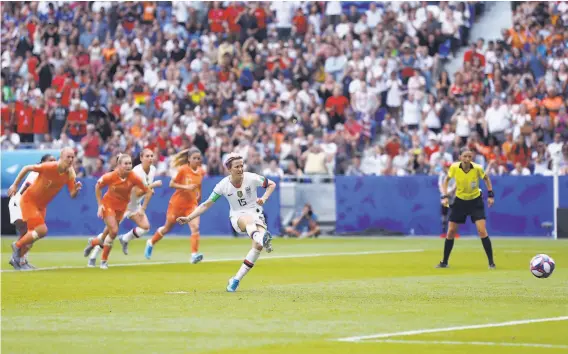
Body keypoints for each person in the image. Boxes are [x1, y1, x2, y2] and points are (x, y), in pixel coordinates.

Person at [177, 153, 276, 292]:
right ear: (229, 169)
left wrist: (264, 198)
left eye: (242, 165)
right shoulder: (222, 185)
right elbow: (206, 204)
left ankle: (236, 279)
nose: (240, 169)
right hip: (238, 216)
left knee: (257, 247)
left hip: (256, 214)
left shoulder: (251, 177)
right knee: (250, 224)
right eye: (237, 167)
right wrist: (189, 218)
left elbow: (271, 184)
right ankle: (262, 238)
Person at [7, 147, 82, 270]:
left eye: (72, 157)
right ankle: (17, 245)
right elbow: (26, 168)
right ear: (61, 157)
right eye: (68, 157)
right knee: (41, 230)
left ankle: (19, 261)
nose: (70, 159)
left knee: (33, 236)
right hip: (29, 201)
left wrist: (76, 190)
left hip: (42, 205)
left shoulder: (70, 173)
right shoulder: (48, 167)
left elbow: (72, 195)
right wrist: (15, 185)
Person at [86, 149, 162, 266]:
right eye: (147, 156)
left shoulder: (152, 170)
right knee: (111, 231)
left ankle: (124, 239)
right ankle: (95, 255)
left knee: (145, 227)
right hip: (122, 205)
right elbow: (138, 192)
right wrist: (153, 185)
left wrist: (143, 207)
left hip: (133, 205)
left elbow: (147, 191)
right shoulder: (136, 172)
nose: (150, 158)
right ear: (141, 158)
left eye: (152, 156)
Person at [145, 148, 205, 264]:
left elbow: (199, 184)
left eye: (198, 158)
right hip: (177, 204)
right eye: (194, 158)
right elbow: (172, 184)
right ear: (189, 159)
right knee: (167, 228)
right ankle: (151, 242)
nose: (197, 160)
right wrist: (186, 187)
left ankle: (194, 255)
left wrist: (199, 196)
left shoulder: (201, 171)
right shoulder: (183, 170)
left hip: (191, 204)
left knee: (195, 227)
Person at [439, 148, 496, 269]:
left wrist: (491, 195)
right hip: (460, 201)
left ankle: (491, 262)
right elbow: (446, 180)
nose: (467, 159)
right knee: (450, 232)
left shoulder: (477, 168)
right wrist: (444, 196)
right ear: (460, 157)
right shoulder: (454, 167)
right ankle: (444, 262)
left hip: (475, 201)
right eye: (465, 156)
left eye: (470, 157)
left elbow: (486, 179)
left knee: (482, 231)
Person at [8, 154, 57, 269]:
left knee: (30, 234)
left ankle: (20, 260)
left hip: (28, 205)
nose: (53, 162)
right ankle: (20, 261)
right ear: (42, 162)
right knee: (29, 232)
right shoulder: (37, 172)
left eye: (55, 160)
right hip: (20, 203)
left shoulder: (48, 175)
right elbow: (27, 189)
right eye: (50, 160)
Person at [438, 161, 458, 239]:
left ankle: (454, 233)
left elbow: (456, 184)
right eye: (447, 167)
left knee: (454, 215)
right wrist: (445, 193)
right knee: (444, 215)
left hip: (452, 196)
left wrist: (451, 191)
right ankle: (443, 232)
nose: (448, 168)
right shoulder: (442, 175)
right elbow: (440, 185)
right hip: (445, 196)